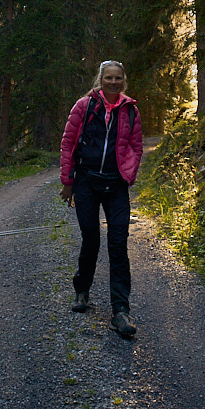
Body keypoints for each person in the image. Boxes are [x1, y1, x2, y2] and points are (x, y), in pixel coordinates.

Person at [59, 60, 143, 338]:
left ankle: (120, 310)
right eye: (108, 77)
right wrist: (67, 182)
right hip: (86, 182)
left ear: (124, 81)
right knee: (91, 239)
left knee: (118, 244)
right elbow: (68, 143)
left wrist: (128, 172)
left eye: (118, 78)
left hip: (116, 184)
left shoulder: (130, 110)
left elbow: (136, 144)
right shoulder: (84, 106)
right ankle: (82, 291)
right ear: (101, 79)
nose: (113, 82)